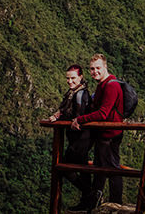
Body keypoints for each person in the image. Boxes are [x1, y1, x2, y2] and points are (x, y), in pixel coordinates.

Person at [72, 53, 125, 209]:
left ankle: (116, 204)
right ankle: (94, 202)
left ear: (105, 67)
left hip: (110, 134)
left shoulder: (111, 85)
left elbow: (103, 113)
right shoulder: (103, 84)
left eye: (98, 68)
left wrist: (79, 120)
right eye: (92, 69)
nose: (95, 71)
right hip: (103, 134)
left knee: (113, 168)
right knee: (100, 168)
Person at [48, 64, 92, 208]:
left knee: (65, 168)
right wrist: (58, 114)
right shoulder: (73, 92)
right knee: (83, 168)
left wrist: (62, 118)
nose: (70, 81)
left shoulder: (80, 94)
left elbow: (77, 116)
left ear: (80, 77)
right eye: (68, 78)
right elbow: (66, 110)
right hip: (79, 138)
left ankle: (90, 194)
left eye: (73, 78)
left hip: (81, 138)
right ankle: (87, 201)